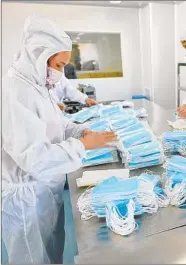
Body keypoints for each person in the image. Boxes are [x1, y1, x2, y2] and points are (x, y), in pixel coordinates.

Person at [1, 16, 116, 264]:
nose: (61, 72)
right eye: (59, 64)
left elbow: (57, 124)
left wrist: (78, 131)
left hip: (45, 189)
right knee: (32, 258)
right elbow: (35, 158)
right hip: (27, 200)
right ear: (40, 56)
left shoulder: (38, 85)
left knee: (52, 254)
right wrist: (83, 145)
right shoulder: (16, 91)